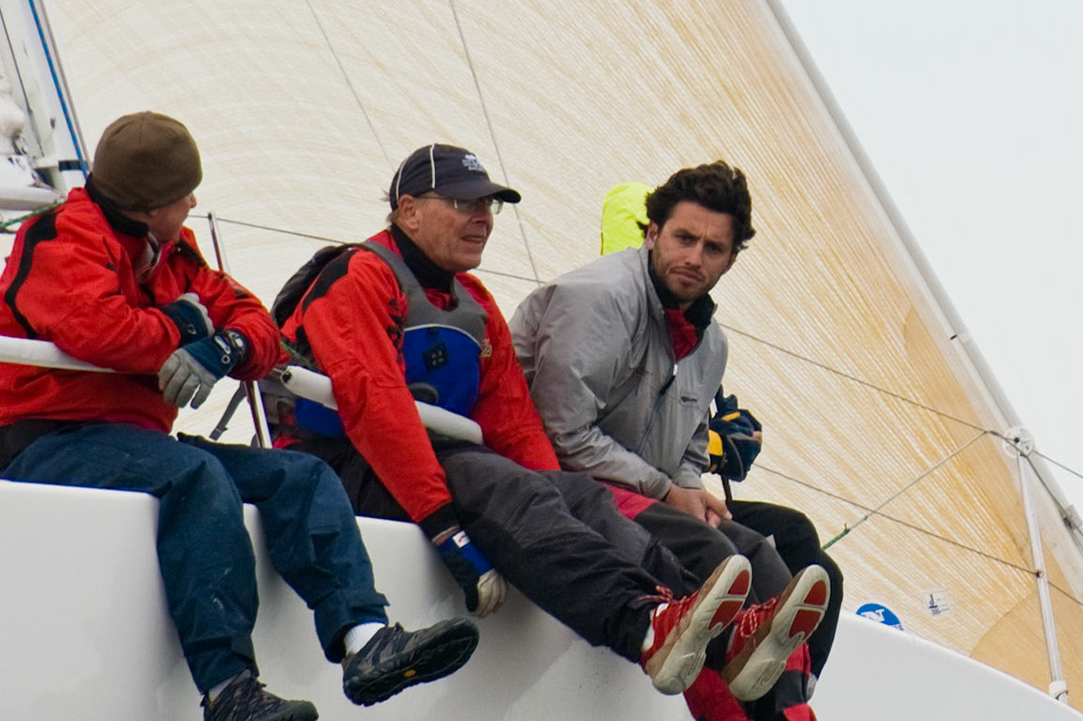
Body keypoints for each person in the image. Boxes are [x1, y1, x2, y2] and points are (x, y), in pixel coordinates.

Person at [275, 143, 805, 703]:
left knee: (571, 494)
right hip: (341, 464)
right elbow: (375, 409)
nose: (481, 219)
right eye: (463, 204)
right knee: (501, 483)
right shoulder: (359, 277)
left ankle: (716, 638)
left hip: (431, 463)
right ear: (408, 210)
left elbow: (517, 428)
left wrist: (561, 494)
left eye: (489, 207)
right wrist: (446, 529)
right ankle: (644, 626)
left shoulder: (473, 303)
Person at [0, 112, 479, 721]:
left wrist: (225, 347)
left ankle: (365, 640)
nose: (194, 201)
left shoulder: (172, 249)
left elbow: (257, 324)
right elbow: (100, 331)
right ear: (150, 206)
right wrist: (191, 323)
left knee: (297, 475)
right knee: (196, 477)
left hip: (133, 441)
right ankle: (230, 691)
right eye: (182, 195)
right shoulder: (56, 238)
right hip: (43, 439)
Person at [513, 166, 837, 721]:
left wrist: (689, 484)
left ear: (731, 259)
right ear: (653, 232)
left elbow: (688, 445)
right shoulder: (602, 299)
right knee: (716, 558)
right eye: (684, 238)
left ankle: (790, 709)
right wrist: (669, 490)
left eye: (713, 248)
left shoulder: (710, 342)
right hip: (555, 480)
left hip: (636, 489)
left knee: (781, 557)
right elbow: (560, 433)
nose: (695, 257)